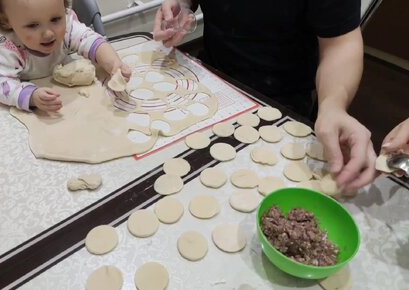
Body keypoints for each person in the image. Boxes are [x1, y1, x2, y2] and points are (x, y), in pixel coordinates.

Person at [153, 0, 376, 193]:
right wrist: (181, 6)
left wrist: (333, 105)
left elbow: (340, 44)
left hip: (280, 101)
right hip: (212, 80)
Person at [0, 0, 131, 112]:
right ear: (6, 21)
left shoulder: (66, 22)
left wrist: (113, 64)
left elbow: (88, 40)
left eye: (55, 20)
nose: (48, 33)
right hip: (22, 84)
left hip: (59, 82)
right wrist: (31, 96)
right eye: (33, 25)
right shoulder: (3, 44)